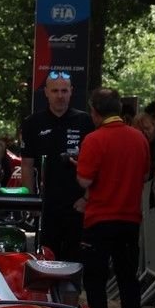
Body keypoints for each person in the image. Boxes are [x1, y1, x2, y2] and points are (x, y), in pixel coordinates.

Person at [75, 87, 152, 308]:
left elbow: (84, 180)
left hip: (100, 218)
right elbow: (145, 175)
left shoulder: (94, 139)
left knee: (95, 280)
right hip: (130, 218)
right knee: (128, 278)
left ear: (94, 112)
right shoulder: (139, 138)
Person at [19, 70, 95, 261]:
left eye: (64, 91)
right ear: (46, 92)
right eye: (55, 91)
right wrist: (30, 200)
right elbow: (26, 165)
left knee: (74, 260)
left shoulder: (85, 121)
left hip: (77, 204)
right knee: (47, 258)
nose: (60, 96)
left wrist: (87, 198)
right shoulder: (32, 123)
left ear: (71, 91)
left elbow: (96, 165)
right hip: (47, 204)